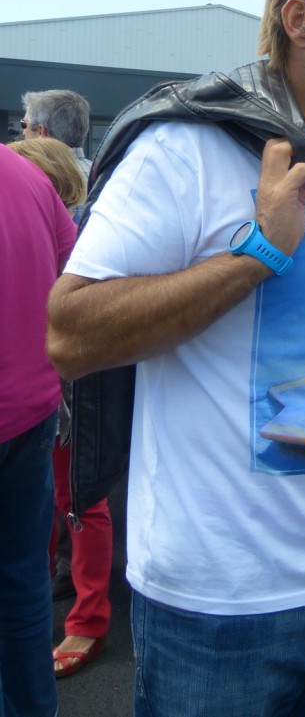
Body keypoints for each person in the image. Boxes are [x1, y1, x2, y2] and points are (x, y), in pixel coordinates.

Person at [46, 0, 305, 717]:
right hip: (219, 606)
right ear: (300, 19)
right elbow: (69, 332)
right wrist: (257, 253)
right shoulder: (186, 148)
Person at [9, 139, 113, 680]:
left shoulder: (78, 232)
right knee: (48, 505)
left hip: (64, 387)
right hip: (40, 387)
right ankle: (68, 598)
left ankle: (90, 617)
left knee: (79, 499)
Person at [0, 142, 77, 717]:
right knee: (23, 584)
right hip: (31, 407)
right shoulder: (23, 174)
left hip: (27, 407)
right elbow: (72, 273)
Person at [21, 89, 93, 177]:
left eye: (24, 124)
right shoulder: (102, 176)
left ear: (41, 131)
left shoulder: (32, 176)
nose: (23, 132)